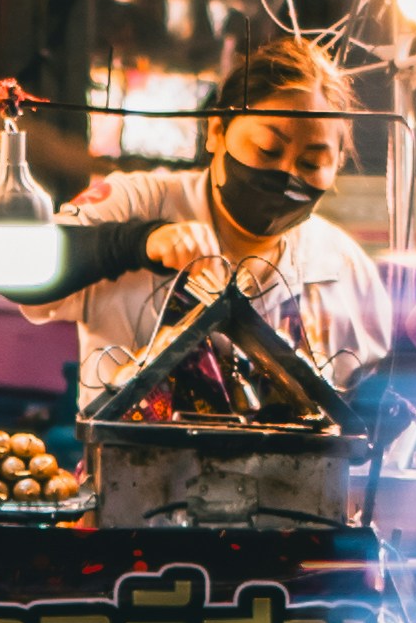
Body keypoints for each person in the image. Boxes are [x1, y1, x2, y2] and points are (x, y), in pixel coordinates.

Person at [25, 34, 391, 408]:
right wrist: (139, 243)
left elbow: (369, 408)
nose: (286, 173)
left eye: (311, 163)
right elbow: (20, 265)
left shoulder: (343, 267)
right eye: (268, 150)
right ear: (218, 131)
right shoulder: (136, 202)